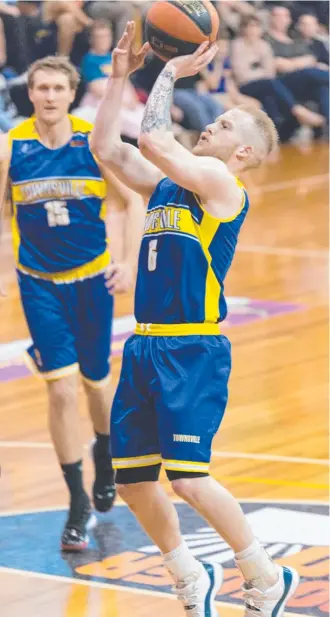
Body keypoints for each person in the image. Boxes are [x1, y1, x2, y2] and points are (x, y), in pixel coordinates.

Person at [91, 22, 300, 616]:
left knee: (187, 479)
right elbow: (107, 149)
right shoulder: (164, 189)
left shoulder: (221, 187)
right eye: (220, 116)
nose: (213, 123)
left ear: (244, 155)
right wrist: (115, 80)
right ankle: (188, 573)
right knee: (132, 481)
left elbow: (154, 138)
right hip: (143, 347)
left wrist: (167, 71)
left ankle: (263, 574)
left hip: (192, 351)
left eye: (227, 124)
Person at [0, 55, 144, 551]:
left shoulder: (95, 141)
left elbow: (133, 201)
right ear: (32, 93)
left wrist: (127, 262)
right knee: (60, 390)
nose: (49, 96)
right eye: (41, 88)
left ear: (71, 91)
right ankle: (77, 502)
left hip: (90, 280)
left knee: (96, 387)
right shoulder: (10, 147)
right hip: (38, 281)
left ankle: (104, 451)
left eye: (58, 88)